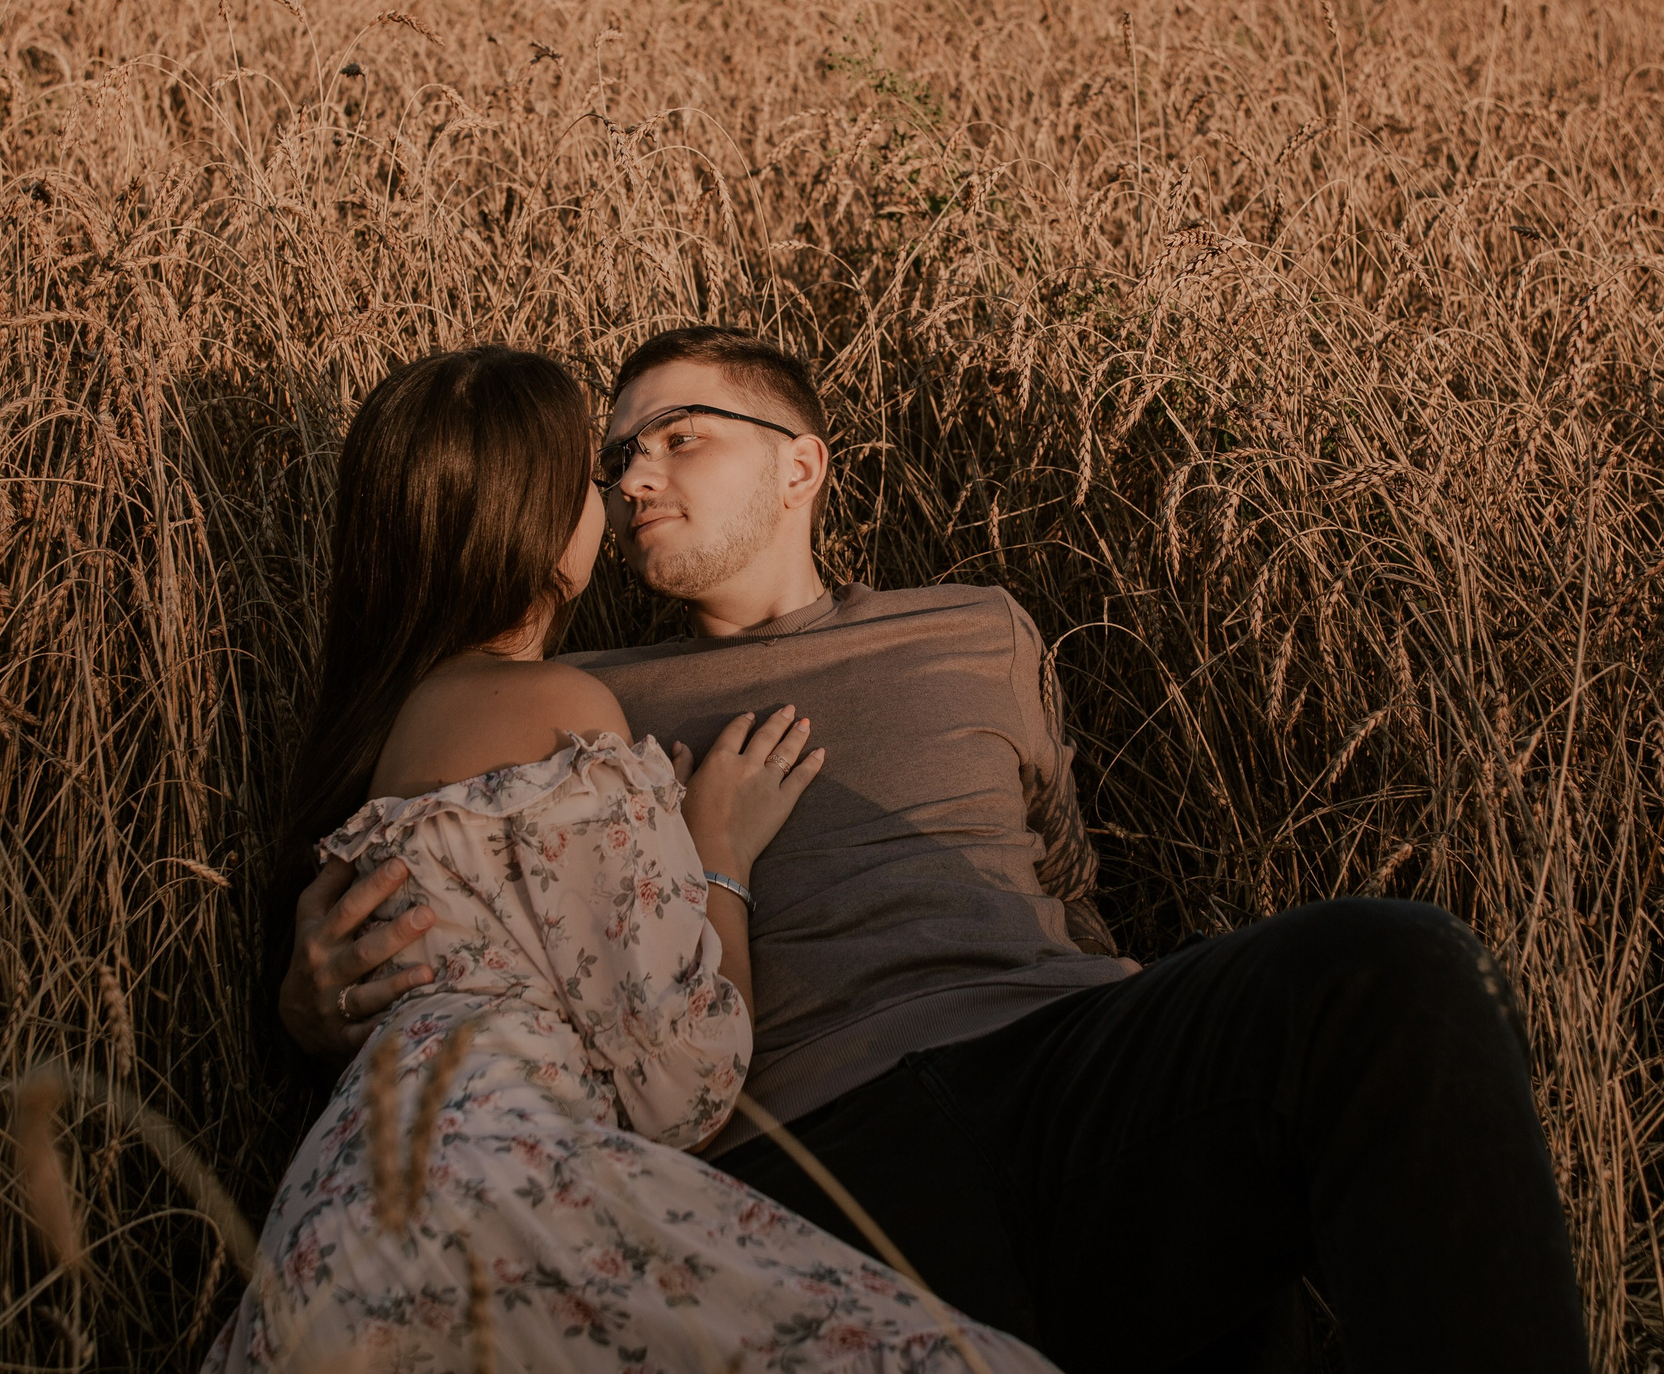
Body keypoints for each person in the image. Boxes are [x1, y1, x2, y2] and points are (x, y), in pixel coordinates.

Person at [282, 326, 1594, 1374]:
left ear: (804, 461)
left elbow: (1064, 875)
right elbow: (440, 900)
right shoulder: (585, 694)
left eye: (680, 437)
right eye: (616, 455)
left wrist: (1119, 988)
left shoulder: (978, 625)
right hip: (809, 1161)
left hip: (1068, 1064)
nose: (633, 476)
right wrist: (307, 994)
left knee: (1387, 963)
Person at [206, 346, 1056, 1373]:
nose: (621, 493)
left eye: (676, 440)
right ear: (535, 515)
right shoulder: (562, 711)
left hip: (360, 1206)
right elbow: (683, 1083)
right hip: (503, 1199)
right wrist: (719, 853)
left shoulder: (408, 719)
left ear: (803, 467)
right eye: (596, 472)